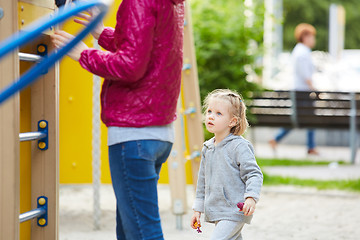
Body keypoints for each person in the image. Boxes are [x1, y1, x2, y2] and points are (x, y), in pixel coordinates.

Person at [51, 0, 185, 239]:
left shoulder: (138, 2)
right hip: (158, 132)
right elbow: (145, 46)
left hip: (134, 135)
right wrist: (101, 33)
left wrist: (83, 54)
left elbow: (131, 65)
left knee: (143, 232)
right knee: (128, 230)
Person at [190, 89, 263, 240]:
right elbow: (202, 181)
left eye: (218, 113)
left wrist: (251, 197)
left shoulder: (239, 146)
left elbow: (254, 174)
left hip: (235, 210)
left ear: (232, 121)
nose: (211, 116)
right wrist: (198, 209)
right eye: (209, 111)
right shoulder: (207, 147)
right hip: (218, 210)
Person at [269, 23, 318, 155]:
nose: (314, 39)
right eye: (312, 36)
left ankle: (309, 146)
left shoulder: (301, 51)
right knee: (304, 119)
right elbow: (306, 75)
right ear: (305, 37)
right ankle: (310, 147)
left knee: (301, 119)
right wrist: (314, 89)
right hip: (302, 92)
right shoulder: (302, 53)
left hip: (301, 91)